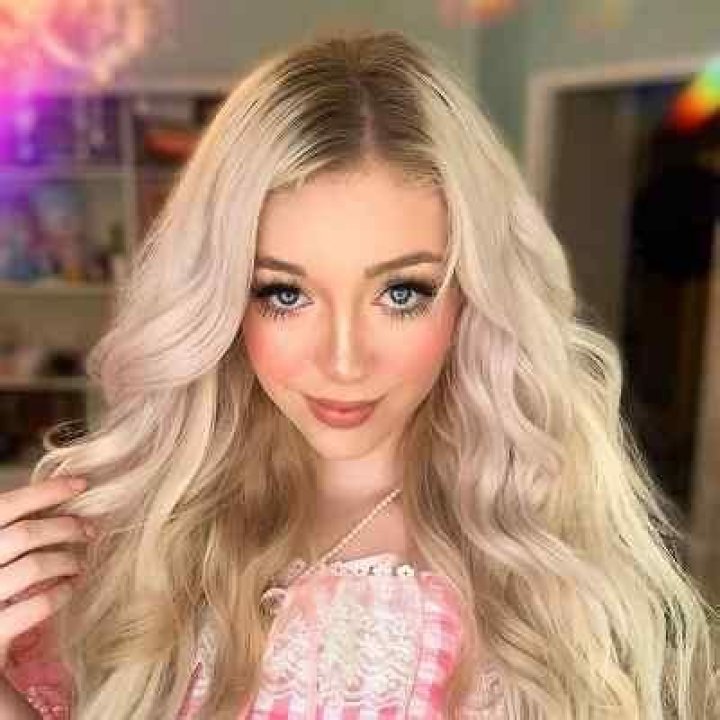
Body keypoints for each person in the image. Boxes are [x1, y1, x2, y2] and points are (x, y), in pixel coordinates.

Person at [0, 28, 718, 719]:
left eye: (402, 292)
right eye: (285, 293)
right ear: (221, 299)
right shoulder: (123, 538)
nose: (344, 361)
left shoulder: (548, 545)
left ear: (474, 293)